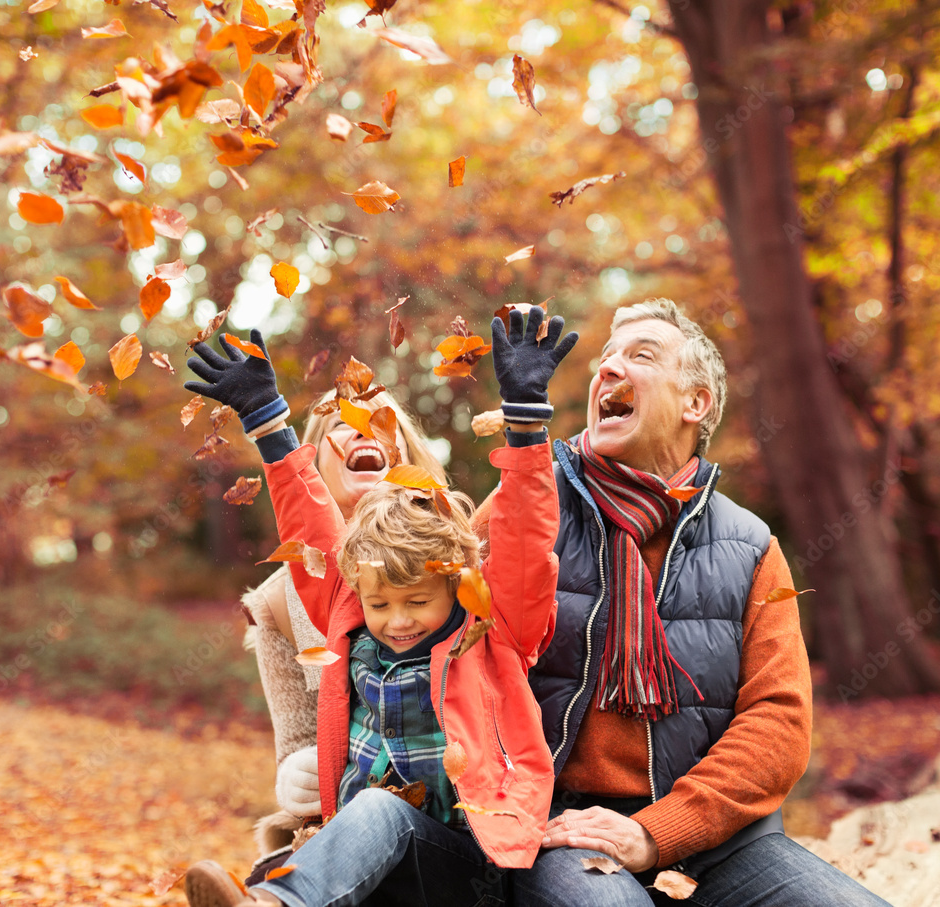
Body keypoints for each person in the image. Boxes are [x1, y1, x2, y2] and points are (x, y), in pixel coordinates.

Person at [181, 309, 578, 906]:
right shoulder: (348, 604)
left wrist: (525, 422)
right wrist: (265, 418)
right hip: (366, 862)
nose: (395, 620)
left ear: (454, 584)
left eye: (417, 600)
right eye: (380, 604)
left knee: (380, 813)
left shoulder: (489, 623)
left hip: (468, 863)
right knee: (358, 825)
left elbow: (525, 540)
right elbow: (310, 527)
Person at [511, 298, 890, 905]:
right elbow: (422, 604)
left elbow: (778, 725)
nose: (606, 369)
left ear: (695, 404)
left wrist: (656, 833)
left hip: (718, 838)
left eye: (640, 356)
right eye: (605, 358)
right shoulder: (531, 509)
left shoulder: (750, 547)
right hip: (566, 826)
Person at [239, 389, 446, 862]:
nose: (362, 426)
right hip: (348, 812)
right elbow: (295, 740)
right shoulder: (277, 604)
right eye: (341, 423)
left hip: (457, 813)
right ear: (313, 466)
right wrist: (296, 771)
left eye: (381, 421)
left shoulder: (461, 555)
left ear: (408, 459)